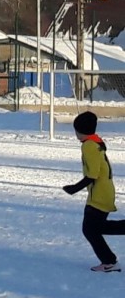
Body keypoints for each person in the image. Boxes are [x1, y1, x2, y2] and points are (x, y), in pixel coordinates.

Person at [62, 111, 125, 272]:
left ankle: (109, 261)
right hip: (103, 192)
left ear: (81, 131)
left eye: (76, 129)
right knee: (96, 227)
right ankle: (109, 260)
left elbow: (93, 174)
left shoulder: (89, 145)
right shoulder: (94, 141)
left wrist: (74, 188)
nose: (75, 133)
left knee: (90, 229)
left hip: (99, 195)